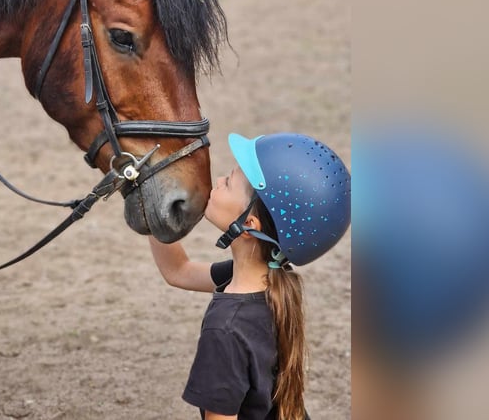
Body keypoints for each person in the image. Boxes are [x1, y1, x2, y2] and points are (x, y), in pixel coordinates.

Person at [149, 132, 351, 420]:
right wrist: (153, 207)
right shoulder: (273, 282)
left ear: (248, 224)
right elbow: (178, 271)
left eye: (228, 182)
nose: (218, 182)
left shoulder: (225, 329)